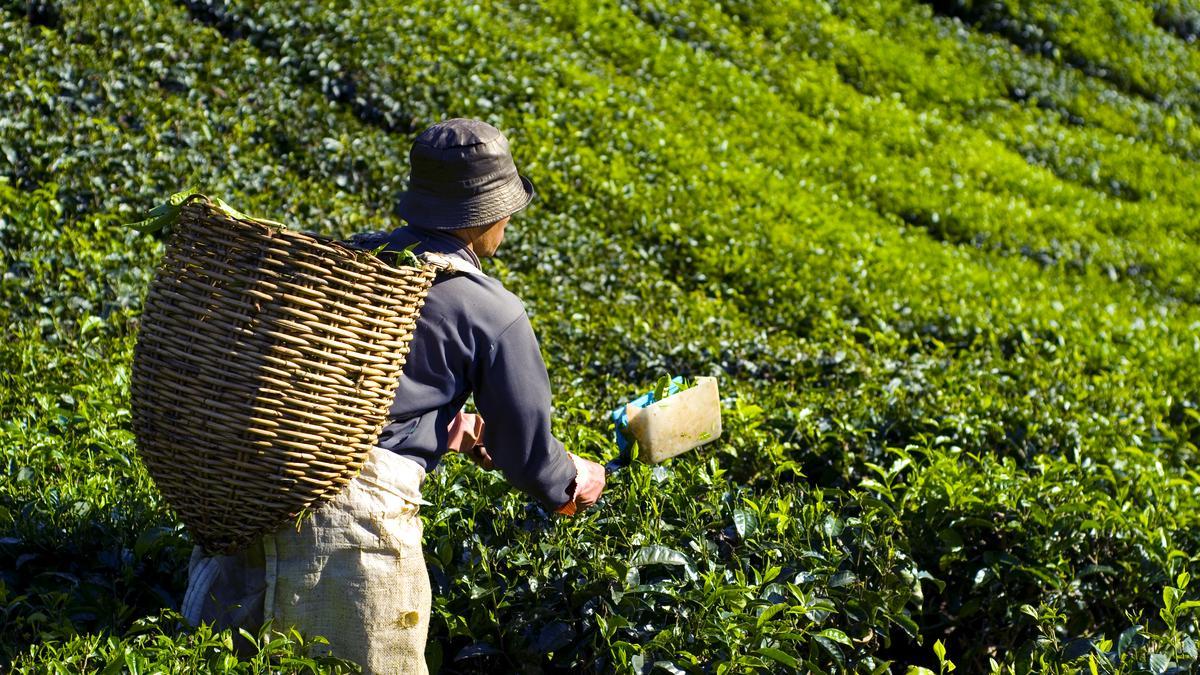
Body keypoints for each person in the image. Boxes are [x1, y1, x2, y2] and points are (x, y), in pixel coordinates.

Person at [181, 118, 607, 674]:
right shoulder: (492, 311)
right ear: (488, 215)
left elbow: (342, 390)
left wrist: (440, 426)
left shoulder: (352, 257)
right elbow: (530, 455)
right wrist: (571, 481)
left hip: (258, 491)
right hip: (350, 535)